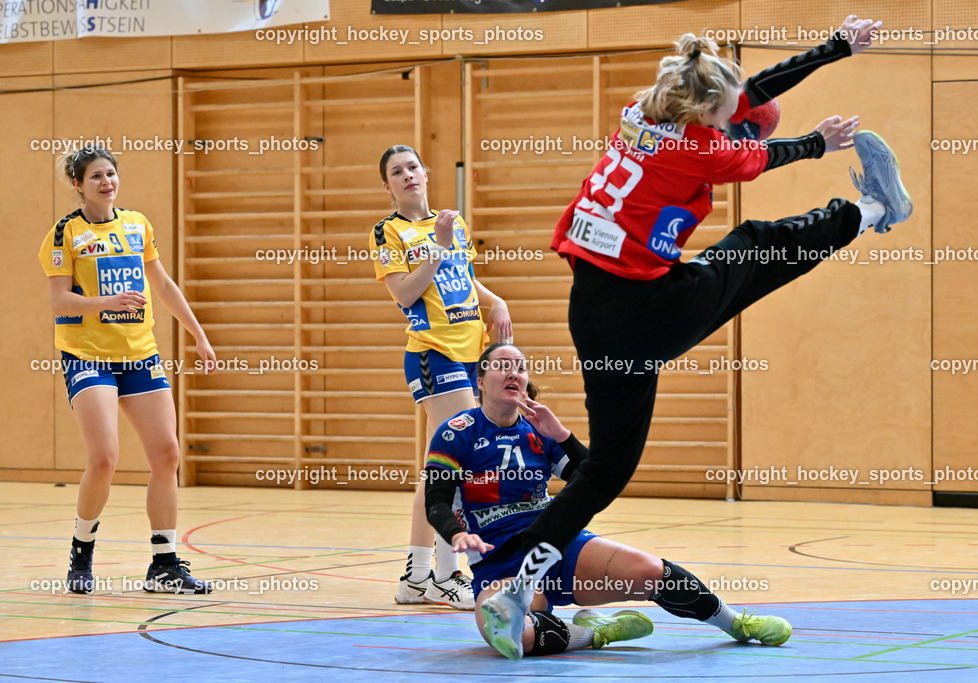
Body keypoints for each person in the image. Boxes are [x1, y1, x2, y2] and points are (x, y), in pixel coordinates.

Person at [481, 15, 913, 655]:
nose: (726, 119)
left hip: (594, 311)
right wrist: (818, 141)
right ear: (704, 113)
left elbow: (745, 97)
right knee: (760, 245)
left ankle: (519, 588)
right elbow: (762, 148)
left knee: (605, 470)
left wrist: (835, 49)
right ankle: (877, 210)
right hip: (652, 309)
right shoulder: (703, 147)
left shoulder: (641, 108)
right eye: (721, 116)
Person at [424, 343, 792, 660]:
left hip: (560, 547)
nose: (512, 373)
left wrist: (563, 435)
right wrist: (457, 535)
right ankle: (595, 633)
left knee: (651, 571)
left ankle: (736, 623)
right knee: (512, 638)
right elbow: (436, 500)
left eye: (519, 367)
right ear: (480, 381)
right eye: (501, 366)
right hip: (500, 567)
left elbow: (595, 480)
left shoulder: (539, 430)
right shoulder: (457, 433)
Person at [38, 145, 216, 595]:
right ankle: (82, 552)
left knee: (167, 455)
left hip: (140, 354)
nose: (106, 182)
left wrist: (198, 334)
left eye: (111, 174)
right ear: (78, 185)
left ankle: (164, 564)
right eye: (96, 176)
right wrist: (105, 303)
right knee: (104, 459)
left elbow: (163, 284)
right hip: (88, 355)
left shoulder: (137, 225)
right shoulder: (65, 234)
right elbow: (59, 301)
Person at [372, 145, 514, 609]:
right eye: (397, 172)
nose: (408, 175)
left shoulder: (453, 223)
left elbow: (464, 277)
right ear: (388, 185)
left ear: (426, 173)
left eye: (413, 167)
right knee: (459, 463)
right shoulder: (388, 231)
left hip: (471, 354)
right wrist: (436, 244)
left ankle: (416, 576)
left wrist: (498, 302)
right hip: (435, 354)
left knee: (440, 468)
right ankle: (445, 574)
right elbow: (406, 293)